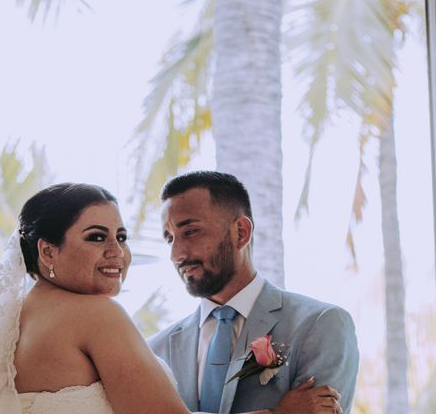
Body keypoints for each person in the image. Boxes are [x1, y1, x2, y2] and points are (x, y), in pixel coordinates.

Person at [0, 182, 344, 414]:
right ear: (47, 251)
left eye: (122, 237)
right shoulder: (95, 314)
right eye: (96, 237)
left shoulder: (19, 320)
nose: (117, 252)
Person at [149, 171, 359, 414]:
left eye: (191, 232)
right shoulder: (156, 351)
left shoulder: (321, 325)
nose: (176, 255)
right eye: (169, 239)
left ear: (241, 232)